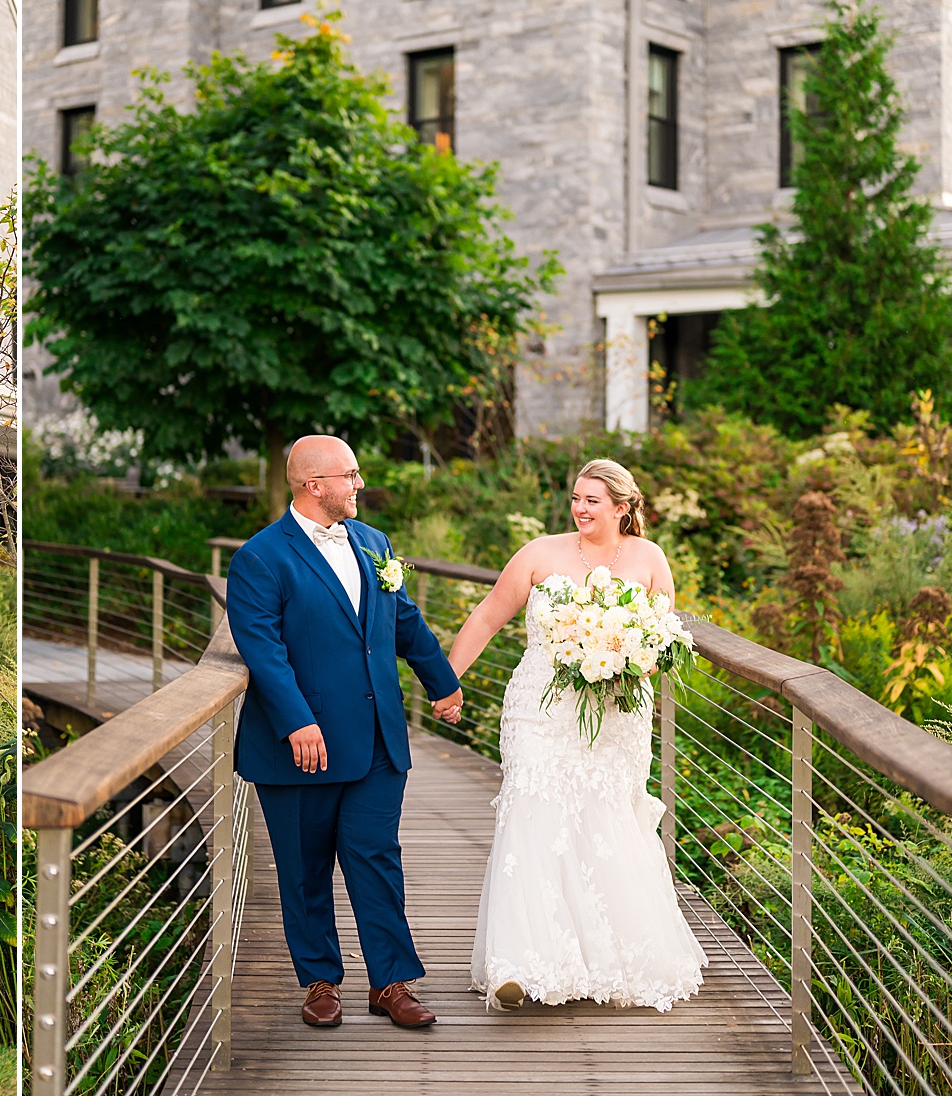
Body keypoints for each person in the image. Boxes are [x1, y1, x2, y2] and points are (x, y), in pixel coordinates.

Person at [444, 458, 707, 1012]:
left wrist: (624, 663)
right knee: (532, 814)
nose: (580, 509)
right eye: (575, 498)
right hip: (538, 710)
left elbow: (662, 642)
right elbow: (490, 615)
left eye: (592, 500)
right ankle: (518, 965)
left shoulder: (650, 559)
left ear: (622, 507)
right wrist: (448, 681)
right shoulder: (539, 554)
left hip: (617, 715)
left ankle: (605, 957)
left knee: (605, 819)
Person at [224, 435, 463, 1031]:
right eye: (350, 475)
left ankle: (391, 982)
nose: (359, 485)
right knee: (304, 868)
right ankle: (321, 981)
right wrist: (298, 720)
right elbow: (263, 648)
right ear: (314, 485)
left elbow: (403, 620)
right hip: (301, 745)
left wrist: (442, 680)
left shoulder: (373, 542)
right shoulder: (259, 558)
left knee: (377, 858)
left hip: (378, 735)